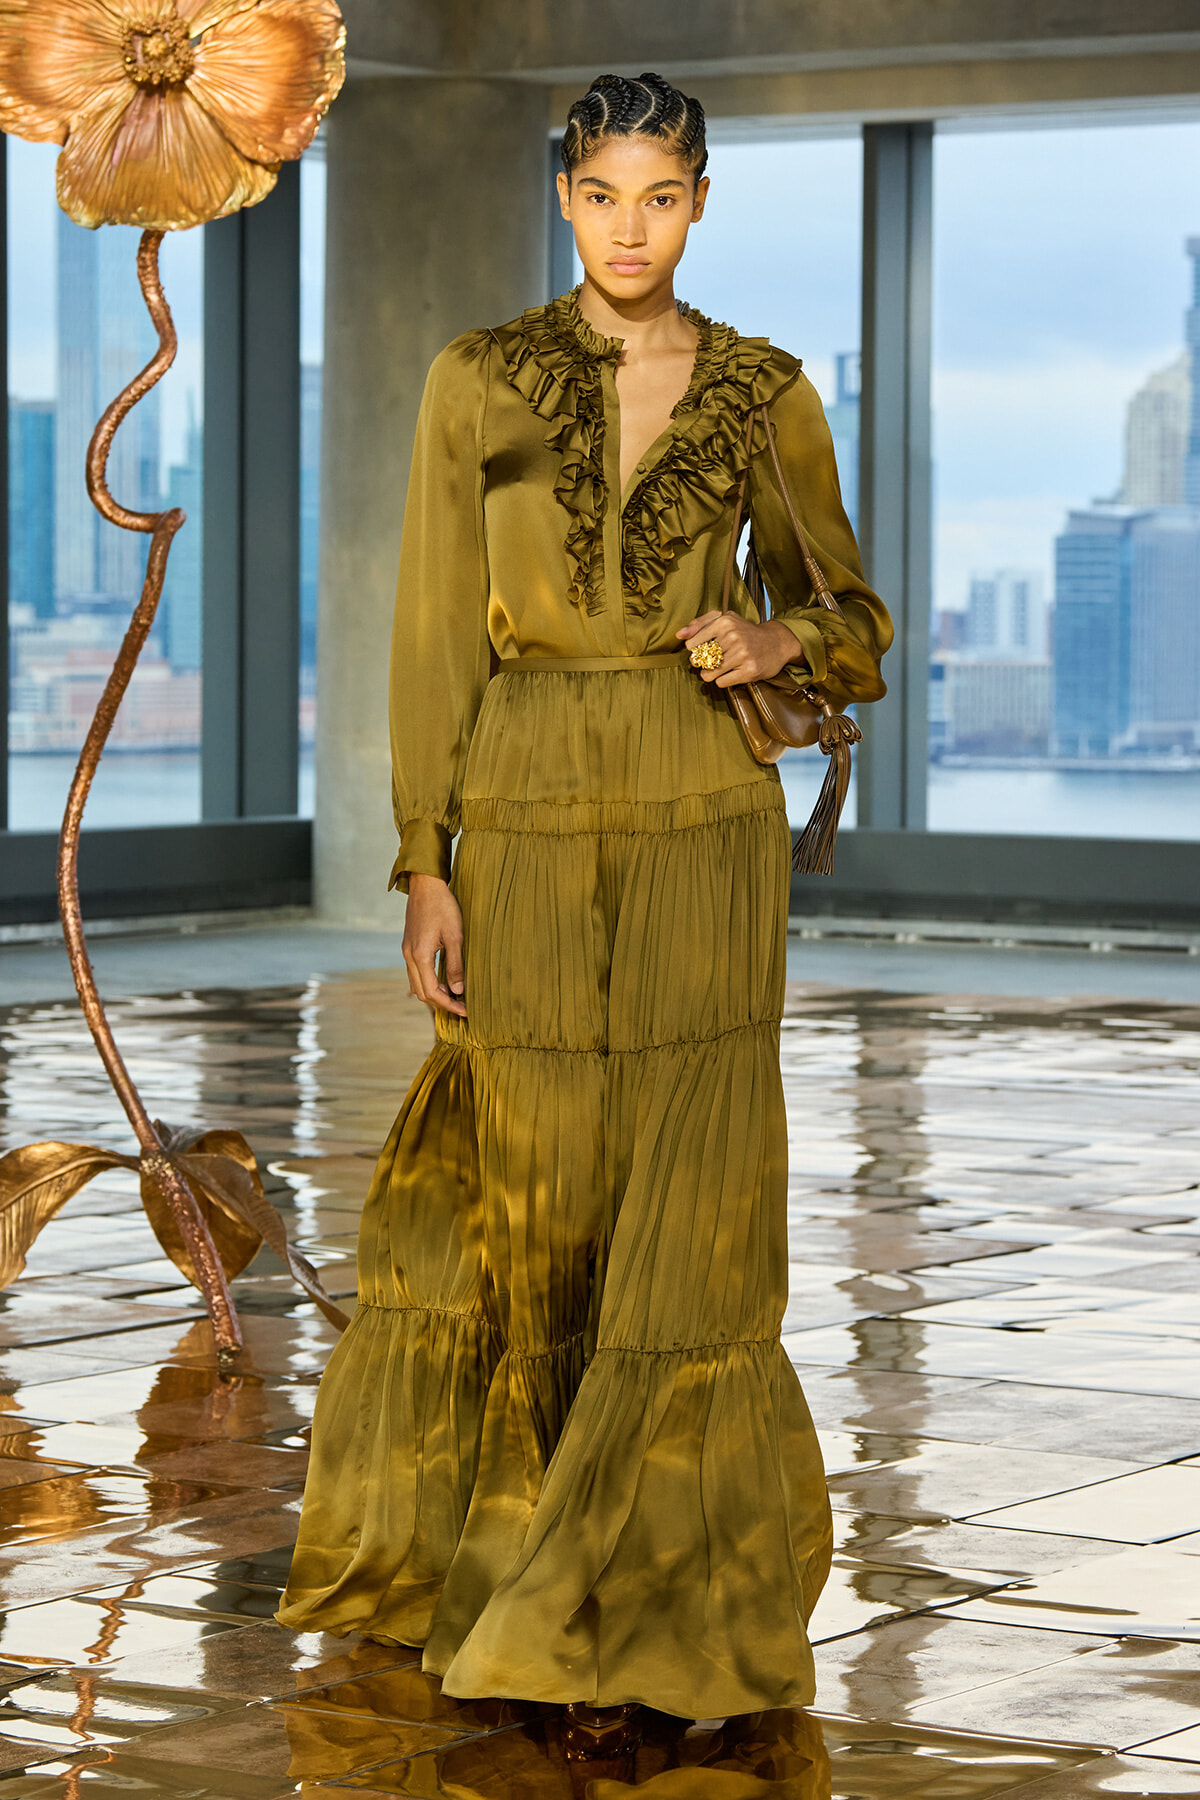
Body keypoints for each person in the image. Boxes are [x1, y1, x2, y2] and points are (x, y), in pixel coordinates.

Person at [277, 70, 892, 1755]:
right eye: (604, 195)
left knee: (694, 1201)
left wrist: (780, 639)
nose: (632, 229)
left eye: (662, 198)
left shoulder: (766, 392)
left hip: (705, 815)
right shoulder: (476, 375)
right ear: (564, 196)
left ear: (700, 204)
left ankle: (674, 1595)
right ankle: (522, 1570)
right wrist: (426, 855)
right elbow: (429, 631)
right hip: (529, 801)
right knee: (538, 1193)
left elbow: (852, 614)